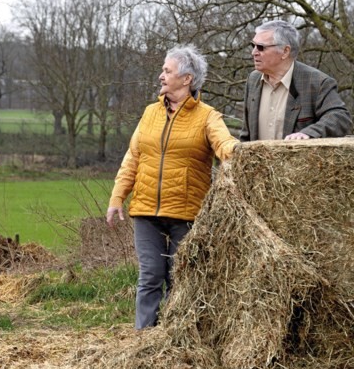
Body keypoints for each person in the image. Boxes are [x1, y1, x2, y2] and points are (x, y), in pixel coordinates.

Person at [106, 45, 238, 330]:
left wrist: (240, 154)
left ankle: (176, 336)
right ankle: (144, 339)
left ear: (187, 79)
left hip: (187, 212)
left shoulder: (207, 116)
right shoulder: (150, 113)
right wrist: (118, 197)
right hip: (146, 211)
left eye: (167, 70)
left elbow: (223, 143)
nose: (160, 76)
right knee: (150, 276)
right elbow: (133, 157)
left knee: (180, 277)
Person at [240, 19, 352, 141]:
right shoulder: (253, 80)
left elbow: (340, 118)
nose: (253, 52)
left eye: (261, 47)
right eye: (253, 46)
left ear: (285, 51)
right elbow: (246, 136)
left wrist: (309, 133)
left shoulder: (317, 82)